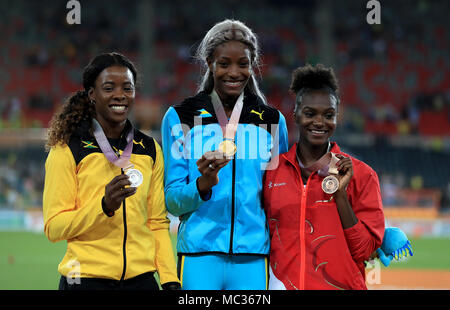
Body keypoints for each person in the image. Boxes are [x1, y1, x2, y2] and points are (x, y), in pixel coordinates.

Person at [161, 19, 289, 290]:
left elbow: (281, 195)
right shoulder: (180, 117)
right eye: (224, 63)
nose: (234, 72)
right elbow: (172, 201)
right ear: (209, 62)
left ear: (252, 65)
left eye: (242, 64)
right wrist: (201, 185)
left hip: (254, 256)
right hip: (199, 254)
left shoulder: (272, 121)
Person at [43, 52, 180, 290]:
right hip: (85, 279)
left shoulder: (150, 149)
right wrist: (102, 206)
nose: (120, 95)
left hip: (142, 281)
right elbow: (54, 227)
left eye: (127, 88)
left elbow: (157, 223)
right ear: (92, 94)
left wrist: (169, 279)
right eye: (109, 88)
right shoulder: (68, 147)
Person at [263, 64, 385, 290]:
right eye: (310, 113)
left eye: (328, 115)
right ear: (296, 115)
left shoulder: (362, 175)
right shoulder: (272, 172)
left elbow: (366, 251)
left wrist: (340, 196)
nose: (319, 122)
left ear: (337, 117)